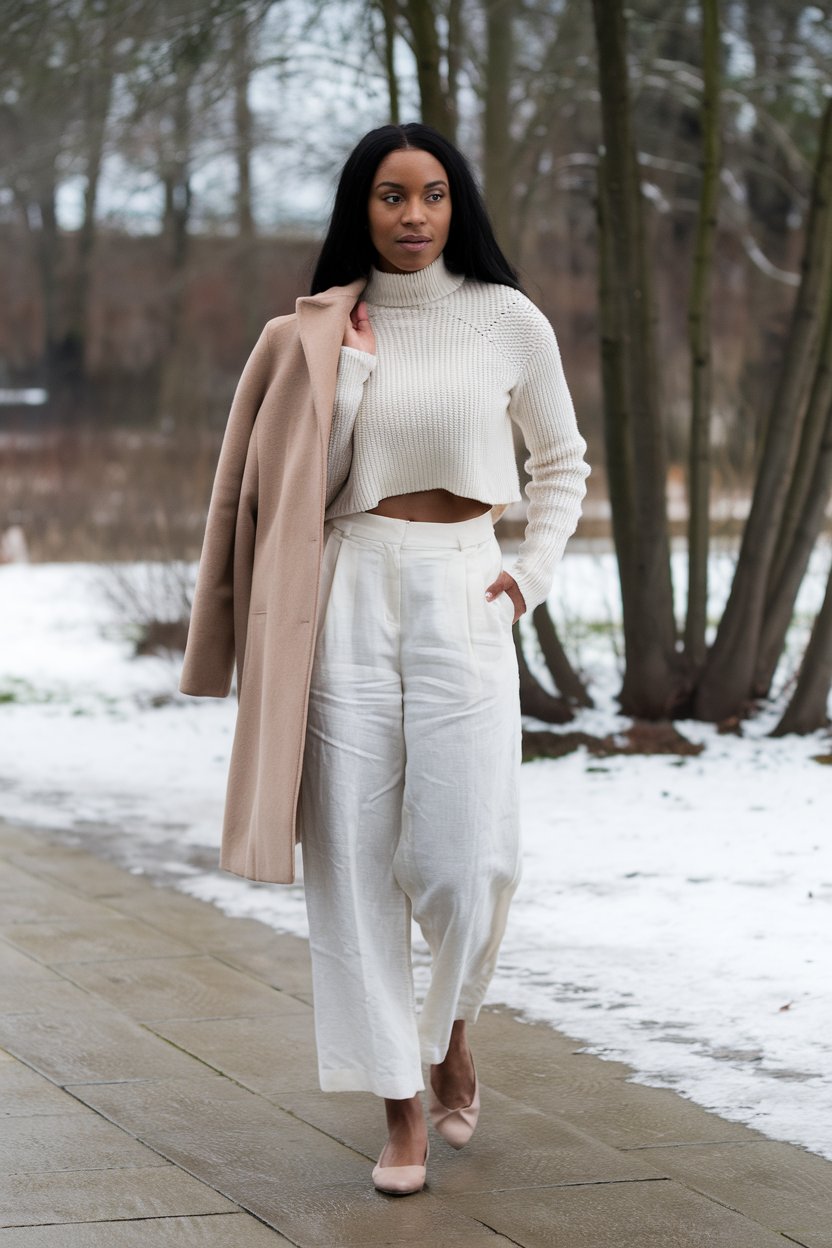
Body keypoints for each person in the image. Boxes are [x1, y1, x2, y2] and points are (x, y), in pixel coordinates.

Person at [180, 121, 589, 1198]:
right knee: (354, 866)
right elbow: (278, 501)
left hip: (467, 584)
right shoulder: (314, 330)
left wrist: (530, 574)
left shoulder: (508, 319)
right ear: (358, 207)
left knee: (471, 861)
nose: (414, 216)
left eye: (434, 195)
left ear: (459, 208)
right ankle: (399, 1106)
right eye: (391, 196)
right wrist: (352, 379)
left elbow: (561, 462)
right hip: (348, 588)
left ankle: (451, 1028)